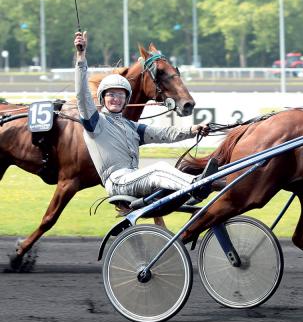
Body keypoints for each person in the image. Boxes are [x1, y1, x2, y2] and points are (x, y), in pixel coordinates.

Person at [73, 31, 213, 198]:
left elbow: (164, 134)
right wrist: (81, 56)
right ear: (103, 98)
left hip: (134, 179)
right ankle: (196, 186)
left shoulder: (131, 126)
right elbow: (82, 95)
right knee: (159, 168)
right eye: (111, 95)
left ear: (127, 99)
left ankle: (193, 189)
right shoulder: (95, 122)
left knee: (160, 173)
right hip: (118, 182)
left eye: (121, 95)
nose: (116, 99)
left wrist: (193, 130)